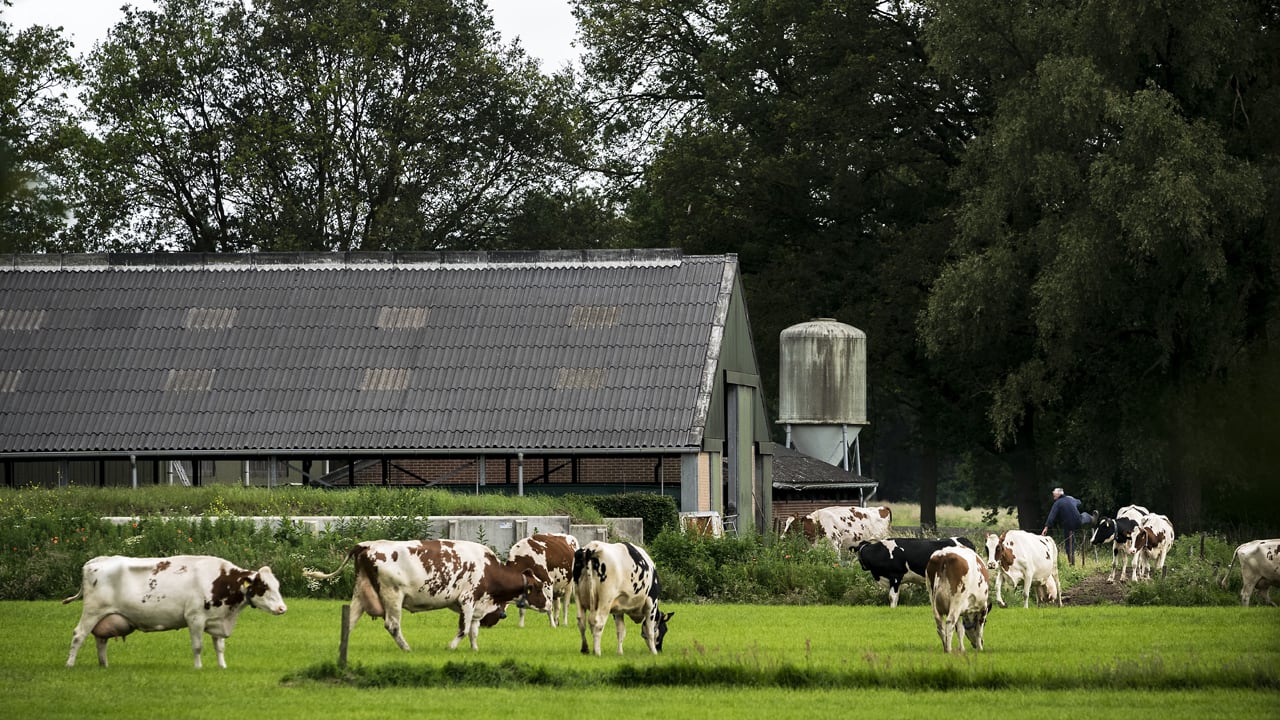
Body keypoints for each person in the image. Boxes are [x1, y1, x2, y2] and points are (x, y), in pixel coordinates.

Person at [1041, 487, 1086, 566]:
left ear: (1059, 494)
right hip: (1078, 521)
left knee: (1069, 545)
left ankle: (1071, 564)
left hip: (1068, 526)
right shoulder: (1070, 499)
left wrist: (1046, 527)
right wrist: (1072, 499)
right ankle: (1092, 519)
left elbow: (1052, 515)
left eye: (1054, 492)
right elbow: (1079, 502)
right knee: (1085, 515)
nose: (1053, 493)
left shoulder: (1057, 503)